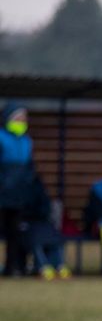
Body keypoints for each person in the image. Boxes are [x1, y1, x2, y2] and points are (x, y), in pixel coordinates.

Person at [1, 102, 35, 276]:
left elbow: (30, 169)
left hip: (18, 197)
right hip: (2, 195)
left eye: (24, 117)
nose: (22, 120)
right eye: (18, 117)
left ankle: (11, 268)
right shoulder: (1, 137)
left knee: (14, 235)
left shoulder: (27, 141)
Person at [22, 174, 69, 279]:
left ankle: (59, 265)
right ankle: (43, 266)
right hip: (27, 224)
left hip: (41, 222)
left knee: (54, 237)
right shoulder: (22, 188)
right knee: (36, 238)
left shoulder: (38, 188)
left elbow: (45, 210)